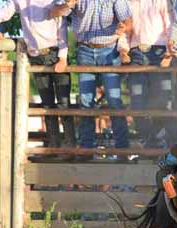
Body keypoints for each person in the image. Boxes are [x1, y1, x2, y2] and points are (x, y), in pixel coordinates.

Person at [0, 0, 76, 148]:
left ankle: (70, 146)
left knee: (63, 102)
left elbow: (61, 28)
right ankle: (54, 146)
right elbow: (2, 14)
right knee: (47, 104)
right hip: (36, 56)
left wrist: (62, 57)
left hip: (54, 53)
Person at [50, 0, 132, 155]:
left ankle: (122, 148)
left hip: (110, 49)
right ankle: (87, 148)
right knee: (86, 100)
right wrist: (69, 4)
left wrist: (124, 27)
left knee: (114, 100)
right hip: (85, 49)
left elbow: (128, 21)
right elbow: (55, 12)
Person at [127, 0, 177, 148]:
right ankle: (151, 140)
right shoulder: (129, 3)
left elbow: (170, 25)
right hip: (136, 52)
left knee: (163, 101)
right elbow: (125, 29)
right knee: (137, 103)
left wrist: (169, 53)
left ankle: (167, 143)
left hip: (159, 52)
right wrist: (123, 49)